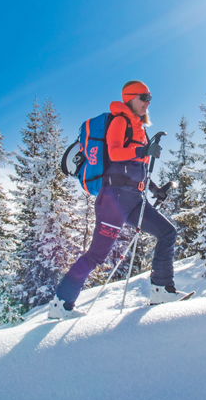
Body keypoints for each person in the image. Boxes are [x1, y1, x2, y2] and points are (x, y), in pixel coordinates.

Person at [42, 80, 188, 318]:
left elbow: (138, 166)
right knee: (96, 255)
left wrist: (155, 189)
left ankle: (162, 289)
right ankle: (61, 304)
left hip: (134, 199)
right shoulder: (120, 121)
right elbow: (114, 153)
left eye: (150, 97)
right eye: (144, 97)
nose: (148, 102)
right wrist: (143, 151)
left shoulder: (140, 128)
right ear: (130, 97)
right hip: (114, 199)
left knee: (167, 233)